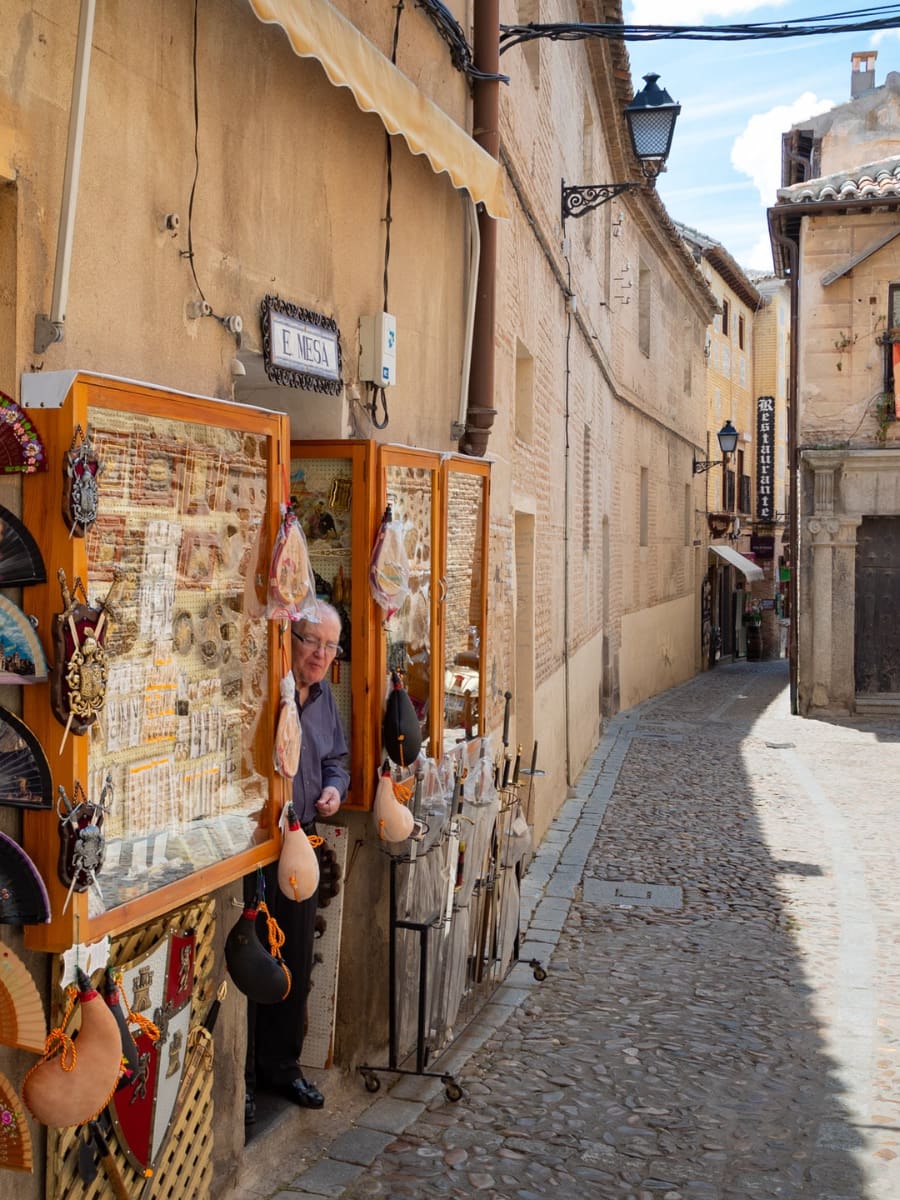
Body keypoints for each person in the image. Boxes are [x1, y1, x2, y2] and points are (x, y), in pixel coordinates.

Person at [244, 600, 348, 1124]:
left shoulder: (326, 697)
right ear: (292, 637)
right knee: (250, 959)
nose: (321, 655)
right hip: (255, 842)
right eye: (313, 641)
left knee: (295, 960)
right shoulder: (267, 684)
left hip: (301, 842)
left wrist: (333, 789)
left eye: (330, 646)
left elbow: (337, 760)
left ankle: (281, 1068)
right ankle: (242, 1077)